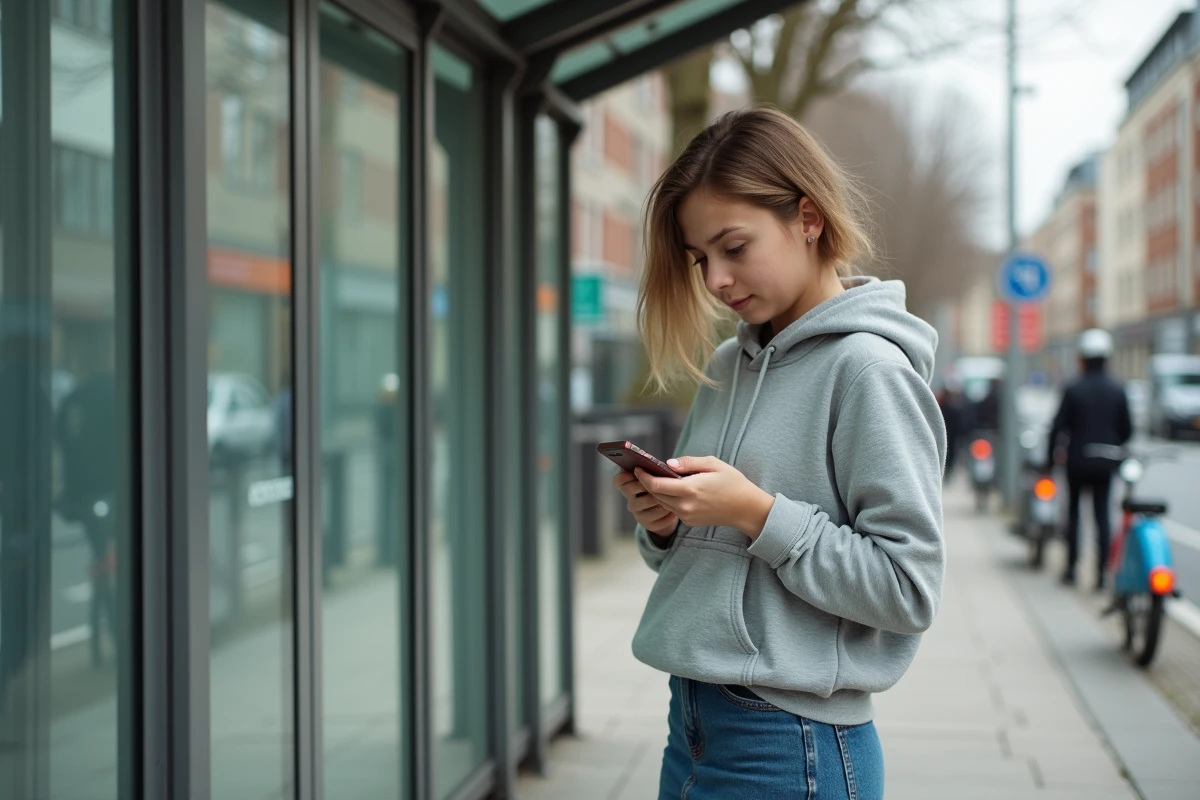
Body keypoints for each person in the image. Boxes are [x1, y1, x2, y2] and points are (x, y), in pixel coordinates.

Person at [610, 107, 946, 800]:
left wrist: (759, 515)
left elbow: (908, 589)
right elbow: (693, 555)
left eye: (734, 247)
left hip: (792, 742)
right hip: (694, 722)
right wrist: (666, 523)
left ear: (808, 218)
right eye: (701, 258)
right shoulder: (731, 363)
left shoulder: (869, 371)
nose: (715, 281)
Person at [1045, 328, 1132, 590]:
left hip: (1077, 461)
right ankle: (1102, 575)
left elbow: (1057, 427)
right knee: (1102, 515)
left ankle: (1072, 568)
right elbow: (1127, 429)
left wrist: (1050, 462)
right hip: (1105, 461)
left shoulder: (1073, 388)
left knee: (1073, 514)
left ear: (1082, 358)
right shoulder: (1118, 389)